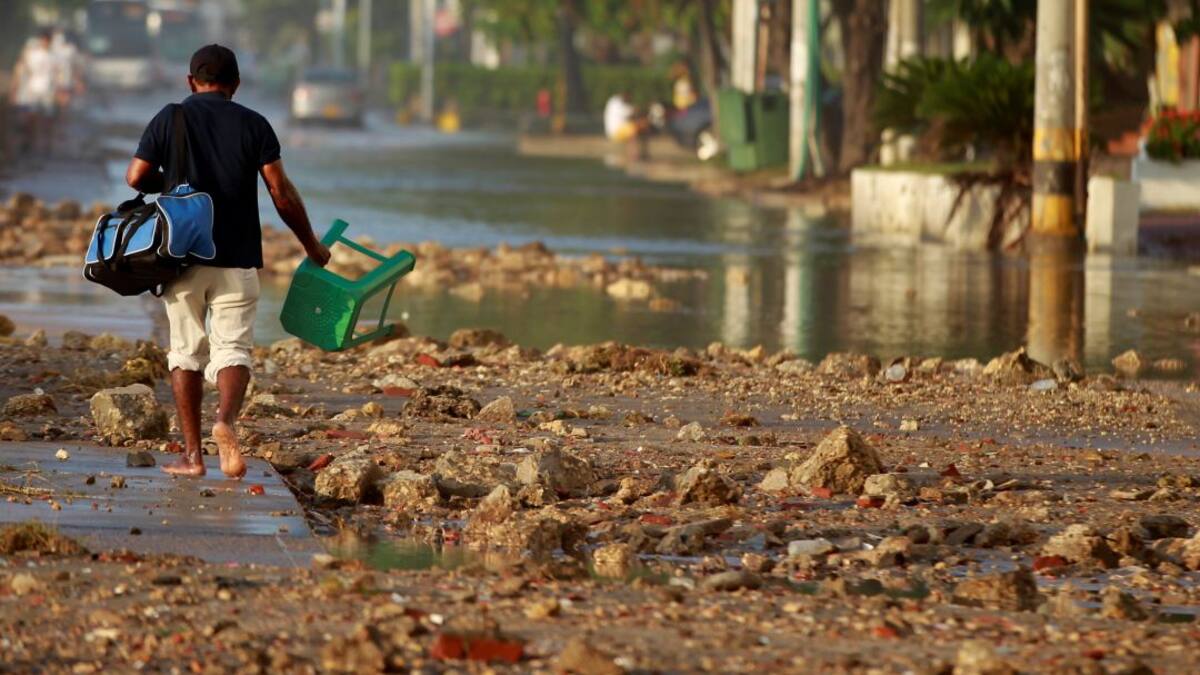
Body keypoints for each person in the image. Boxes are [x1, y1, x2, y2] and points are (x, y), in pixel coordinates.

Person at [124, 45, 331, 478]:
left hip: (181, 255)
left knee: (185, 352)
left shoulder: (170, 116)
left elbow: (135, 177)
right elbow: (280, 193)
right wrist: (311, 245)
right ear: (236, 85)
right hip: (237, 257)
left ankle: (193, 457)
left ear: (190, 81)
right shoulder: (254, 124)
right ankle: (225, 422)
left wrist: (175, 182)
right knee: (233, 348)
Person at [9, 30, 59, 158]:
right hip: (33, 90)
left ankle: (46, 145)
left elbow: (56, 74)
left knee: (47, 119)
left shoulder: (54, 56)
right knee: (32, 117)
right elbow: (22, 72)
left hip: (48, 90)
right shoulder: (32, 55)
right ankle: (31, 143)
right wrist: (16, 89)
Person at [603, 92, 648, 160]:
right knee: (633, 129)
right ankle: (633, 154)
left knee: (633, 127)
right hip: (615, 132)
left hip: (614, 131)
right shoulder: (617, 104)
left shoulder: (613, 101)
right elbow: (631, 111)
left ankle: (634, 154)